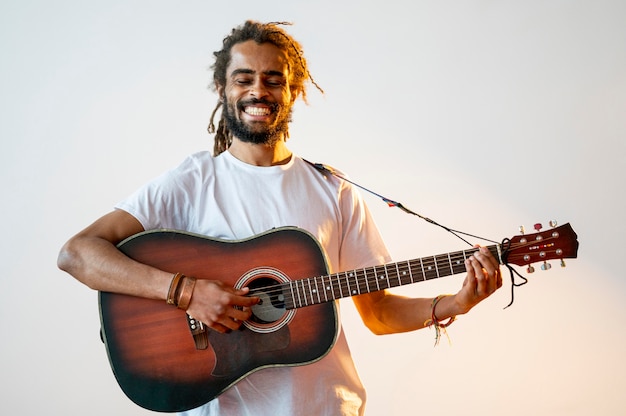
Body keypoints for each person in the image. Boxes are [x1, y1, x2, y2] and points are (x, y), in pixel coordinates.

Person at [57, 20, 502, 416]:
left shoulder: (334, 189)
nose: (258, 90)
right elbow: (77, 254)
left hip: (326, 405)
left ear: (294, 91)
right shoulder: (191, 181)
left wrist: (456, 304)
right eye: (244, 78)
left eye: (273, 79)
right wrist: (186, 292)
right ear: (223, 89)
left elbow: (379, 312)